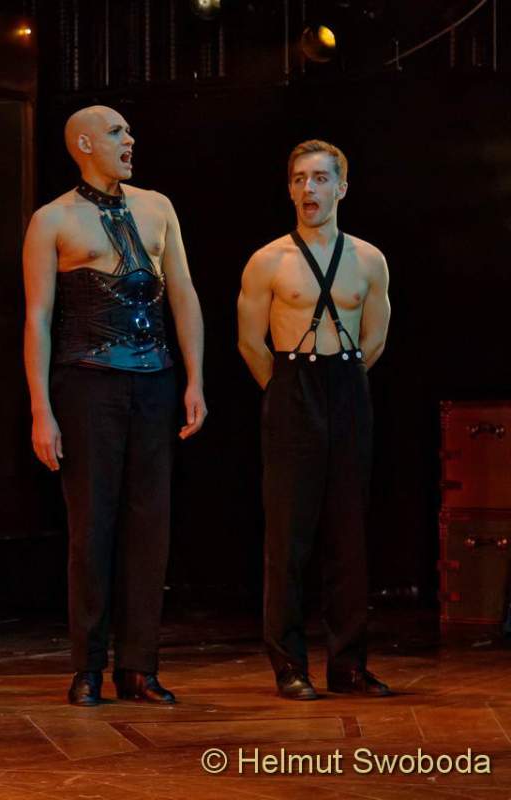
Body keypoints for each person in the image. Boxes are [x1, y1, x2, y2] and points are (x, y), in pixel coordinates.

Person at [23, 106, 206, 706]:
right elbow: (38, 317)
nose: (130, 138)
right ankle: (88, 667)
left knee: (150, 525)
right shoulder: (52, 219)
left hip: (155, 381)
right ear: (83, 143)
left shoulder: (158, 206)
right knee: (91, 527)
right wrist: (40, 408)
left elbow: (183, 292)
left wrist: (195, 380)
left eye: (128, 130)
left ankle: (139, 667)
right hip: (86, 383)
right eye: (116, 131)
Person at [237, 139, 392, 700]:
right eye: (300, 178)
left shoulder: (369, 260)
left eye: (321, 178)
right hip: (291, 387)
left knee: (348, 535)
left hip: (347, 385)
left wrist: (341, 385)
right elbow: (249, 343)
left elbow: (375, 338)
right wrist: (286, 393)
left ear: (341, 188)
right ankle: (289, 664)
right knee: (288, 537)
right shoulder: (268, 260)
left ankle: (348, 665)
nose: (310, 188)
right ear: (290, 189)